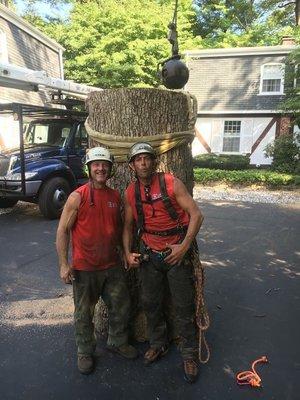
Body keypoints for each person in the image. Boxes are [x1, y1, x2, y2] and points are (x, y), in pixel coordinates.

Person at [123, 142, 204, 384]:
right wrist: (127, 253)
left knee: (183, 304)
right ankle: (158, 343)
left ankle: (189, 354)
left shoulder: (170, 183)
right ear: (132, 166)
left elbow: (197, 214)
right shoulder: (131, 191)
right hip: (149, 253)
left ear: (154, 162)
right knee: (150, 302)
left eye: (147, 158)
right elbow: (127, 225)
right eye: (138, 160)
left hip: (175, 251)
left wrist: (184, 247)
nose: (143, 163)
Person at [56, 146, 138, 375]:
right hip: (85, 268)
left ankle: (117, 342)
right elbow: (62, 230)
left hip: (112, 266)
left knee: (121, 307)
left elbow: (120, 228)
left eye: (104, 165)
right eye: (96, 165)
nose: (100, 168)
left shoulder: (115, 196)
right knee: (83, 313)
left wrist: (125, 252)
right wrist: (64, 264)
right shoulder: (77, 196)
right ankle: (84, 351)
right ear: (89, 168)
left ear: (110, 169)